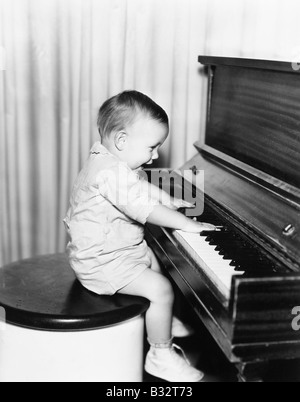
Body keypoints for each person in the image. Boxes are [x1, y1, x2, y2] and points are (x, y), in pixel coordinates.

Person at [64, 90, 217, 382]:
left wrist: (170, 202)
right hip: (99, 263)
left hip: (114, 251)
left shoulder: (108, 160)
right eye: (152, 147)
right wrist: (186, 223)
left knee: (153, 258)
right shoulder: (109, 174)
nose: (156, 155)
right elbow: (144, 208)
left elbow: (140, 187)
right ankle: (160, 355)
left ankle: (161, 318)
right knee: (161, 288)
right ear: (122, 140)